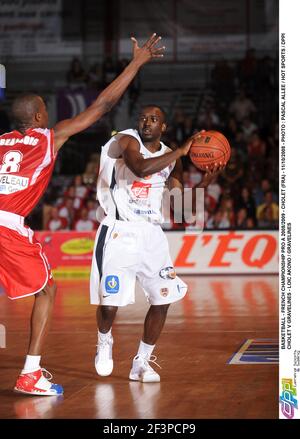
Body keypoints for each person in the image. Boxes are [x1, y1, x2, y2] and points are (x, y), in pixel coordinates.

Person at [0, 34, 165, 396]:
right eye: (46, 109)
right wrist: (136, 63)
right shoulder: (50, 136)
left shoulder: (1, 143)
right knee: (46, 291)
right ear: (40, 117)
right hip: (7, 226)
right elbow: (104, 105)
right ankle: (30, 372)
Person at [90, 105, 223, 382]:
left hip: (152, 234)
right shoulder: (126, 140)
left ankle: (141, 362)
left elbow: (182, 208)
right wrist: (180, 151)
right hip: (119, 231)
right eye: (143, 117)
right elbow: (139, 168)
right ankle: (104, 341)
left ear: (163, 127)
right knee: (109, 304)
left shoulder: (173, 159)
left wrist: (205, 183)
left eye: (154, 119)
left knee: (164, 299)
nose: (146, 122)